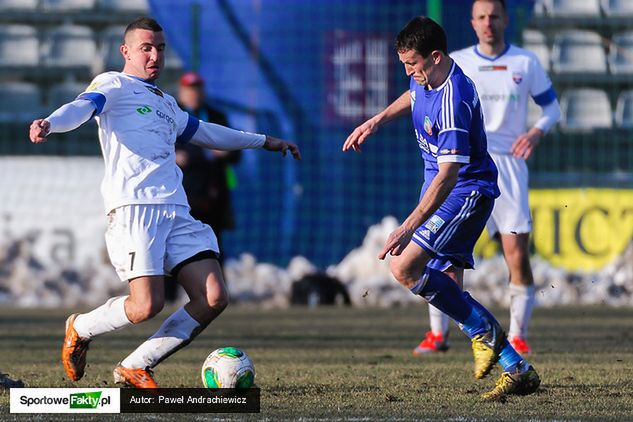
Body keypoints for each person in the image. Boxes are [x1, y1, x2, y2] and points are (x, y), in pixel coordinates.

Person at [28, 17, 300, 389]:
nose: (155, 55)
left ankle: (136, 365)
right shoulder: (113, 84)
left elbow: (205, 132)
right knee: (145, 306)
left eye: (160, 48)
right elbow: (82, 106)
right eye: (146, 48)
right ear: (126, 52)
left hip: (176, 209)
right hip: (134, 209)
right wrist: (50, 123)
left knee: (213, 297)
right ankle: (80, 326)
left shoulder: (165, 102)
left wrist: (264, 141)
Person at [343, 16, 539, 400]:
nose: (408, 72)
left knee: (404, 266)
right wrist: (378, 120)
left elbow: (449, 176)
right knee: (440, 281)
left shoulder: (454, 98)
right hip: (443, 189)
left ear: (434, 57)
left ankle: (485, 333)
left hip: (464, 192)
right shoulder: (426, 79)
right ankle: (516, 367)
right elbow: (414, 97)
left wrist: (408, 227)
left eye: (412, 64)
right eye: (404, 64)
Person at [413, 0, 561, 356]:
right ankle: (439, 334)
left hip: (509, 166)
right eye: (481, 17)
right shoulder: (457, 62)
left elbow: (552, 108)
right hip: (465, 168)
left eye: (494, 16)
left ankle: (518, 334)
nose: (488, 23)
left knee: (516, 253)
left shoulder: (526, 62)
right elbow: (419, 95)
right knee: (442, 258)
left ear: (505, 20)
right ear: (472, 23)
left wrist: (535, 132)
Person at [163, 72, 240, 303]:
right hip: (180, 194)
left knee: (213, 245)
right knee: (171, 247)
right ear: (181, 92)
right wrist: (172, 156)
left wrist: (226, 152)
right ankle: (169, 297)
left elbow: (234, 151)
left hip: (212, 194)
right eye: (189, 90)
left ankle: (217, 295)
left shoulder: (216, 116)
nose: (193, 94)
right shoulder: (169, 115)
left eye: (197, 90)